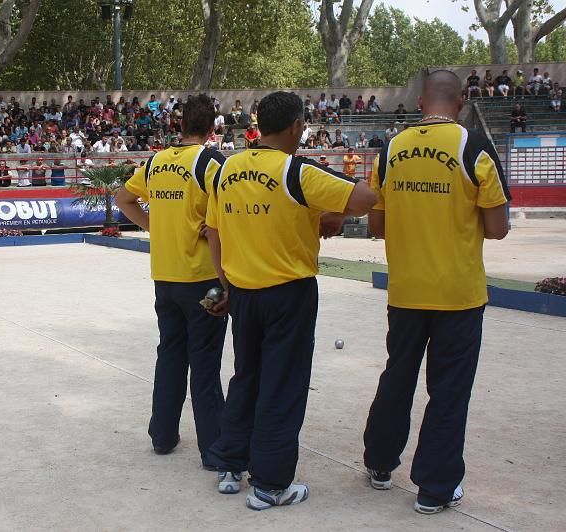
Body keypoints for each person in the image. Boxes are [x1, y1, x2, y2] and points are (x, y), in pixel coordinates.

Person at [202, 91, 376, 510]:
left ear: (259, 125)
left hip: (242, 291)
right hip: (288, 294)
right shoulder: (298, 171)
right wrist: (332, 212)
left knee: (247, 377)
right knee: (282, 386)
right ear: (297, 126)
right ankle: (271, 484)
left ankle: (230, 465)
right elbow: (365, 200)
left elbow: (215, 232)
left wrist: (225, 284)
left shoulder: (226, 169)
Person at [363, 70, 510, 515]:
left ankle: (380, 464)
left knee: (397, 377)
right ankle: (435, 488)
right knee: (449, 391)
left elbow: (375, 225)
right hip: (458, 295)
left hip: (406, 290)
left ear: (423, 102)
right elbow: (498, 228)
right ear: (461, 102)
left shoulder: (389, 151)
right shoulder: (475, 149)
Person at [115, 94, 229, 472]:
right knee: (206, 363)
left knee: (170, 357)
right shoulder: (211, 162)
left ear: (178, 125)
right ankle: (214, 449)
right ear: (212, 130)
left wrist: (157, 229)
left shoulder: (156, 161)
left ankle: (162, 436)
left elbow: (124, 199)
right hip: (203, 280)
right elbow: (226, 214)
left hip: (164, 277)